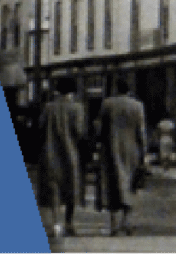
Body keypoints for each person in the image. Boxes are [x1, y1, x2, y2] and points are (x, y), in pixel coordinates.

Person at [92, 77, 150, 236]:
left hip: (111, 150)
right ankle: (126, 222)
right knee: (130, 186)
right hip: (132, 151)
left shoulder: (107, 104)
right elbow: (141, 132)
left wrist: (97, 144)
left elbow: (99, 129)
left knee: (111, 186)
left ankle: (113, 224)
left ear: (116, 89)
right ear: (129, 90)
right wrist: (144, 153)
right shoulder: (138, 106)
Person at [37, 78, 89, 239]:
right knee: (71, 186)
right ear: (72, 92)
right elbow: (79, 132)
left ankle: (55, 223)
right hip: (70, 153)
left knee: (53, 188)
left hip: (50, 153)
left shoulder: (48, 107)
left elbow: (40, 127)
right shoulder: (77, 108)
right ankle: (69, 223)